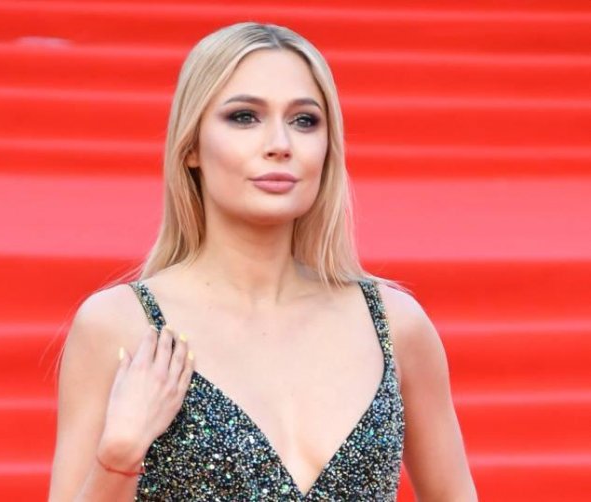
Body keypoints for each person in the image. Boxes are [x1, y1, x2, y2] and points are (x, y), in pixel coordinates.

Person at [48, 21, 477, 501]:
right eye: (244, 117)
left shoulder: (396, 324)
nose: (280, 144)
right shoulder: (120, 325)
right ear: (191, 147)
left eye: (304, 121)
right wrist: (119, 457)